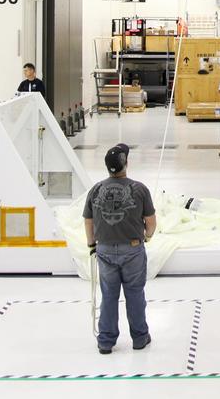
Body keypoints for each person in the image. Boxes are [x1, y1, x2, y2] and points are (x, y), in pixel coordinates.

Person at [82, 143, 156, 354]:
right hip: (132, 250)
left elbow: (88, 220)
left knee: (109, 295)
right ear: (126, 164)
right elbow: (151, 222)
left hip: (104, 250)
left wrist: (91, 244)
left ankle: (106, 340)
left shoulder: (96, 190)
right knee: (134, 294)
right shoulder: (139, 189)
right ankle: (139, 337)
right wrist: (147, 237)